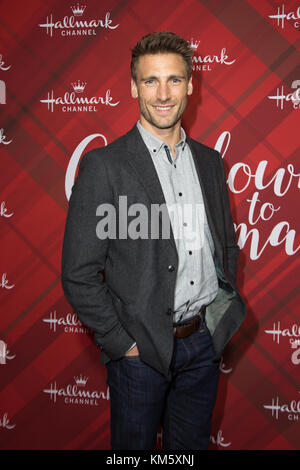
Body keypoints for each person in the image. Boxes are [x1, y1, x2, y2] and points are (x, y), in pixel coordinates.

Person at [61, 31, 246, 450]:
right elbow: (78, 274)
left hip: (202, 344)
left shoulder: (210, 162)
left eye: (174, 80)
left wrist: (216, 322)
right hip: (139, 352)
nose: (163, 94)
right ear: (133, 87)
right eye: (150, 81)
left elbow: (226, 247)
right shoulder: (104, 166)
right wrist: (122, 343)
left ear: (190, 86)